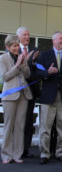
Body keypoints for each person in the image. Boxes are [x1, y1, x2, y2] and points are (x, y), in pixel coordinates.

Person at [37, 31, 62, 165]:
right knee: (45, 127)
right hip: (48, 97)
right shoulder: (44, 55)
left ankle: (60, 152)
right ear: (53, 40)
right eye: (60, 38)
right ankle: (44, 153)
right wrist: (47, 72)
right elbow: (38, 73)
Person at [0, 35, 33, 164]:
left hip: (23, 95)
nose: (16, 48)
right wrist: (17, 64)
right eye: (13, 46)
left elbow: (28, 75)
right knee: (9, 126)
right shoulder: (2, 58)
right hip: (9, 95)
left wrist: (24, 63)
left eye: (17, 45)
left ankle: (17, 154)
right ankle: (6, 154)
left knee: (20, 126)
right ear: (8, 47)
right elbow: (5, 77)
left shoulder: (21, 57)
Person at [16, 27, 40, 158]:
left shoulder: (35, 50)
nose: (27, 37)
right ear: (18, 36)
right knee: (17, 121)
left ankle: (25, 149)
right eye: (24, 35)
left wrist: (33, 61)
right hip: (17, 91)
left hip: (31, 91)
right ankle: (16, 149)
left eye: (28, 35)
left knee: (28, 122)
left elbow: (37, 70)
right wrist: (27, 60)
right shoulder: (14, 49)